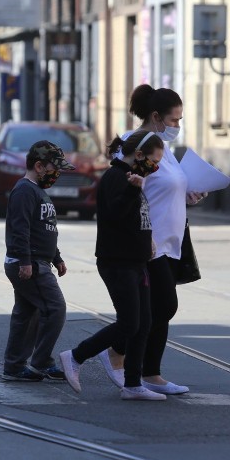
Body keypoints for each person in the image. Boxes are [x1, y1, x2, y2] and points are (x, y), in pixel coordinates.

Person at [98, 84, 206, 395]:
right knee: (162, 307)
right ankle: (117, 352)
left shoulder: (165, 149)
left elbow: (162, 187)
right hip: (149, 242)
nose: (177, 126)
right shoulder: (136, 147)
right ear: (156, 116)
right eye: (174, 120)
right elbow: (125, 187)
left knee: (161, 308)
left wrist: (189, 194)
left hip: (171, 242)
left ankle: (151, 372)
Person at [59, 129, 166, 401]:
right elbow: (116, 214)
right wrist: (133, 190)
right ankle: (76, 356)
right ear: (138, 155)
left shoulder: (133, 179)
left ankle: (132, 384)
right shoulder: (116, 178)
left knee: (144, 322)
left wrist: (148, 240)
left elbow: (137, 218)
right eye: (153, 161)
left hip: (136, 260)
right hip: (117, 261)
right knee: (129, 322)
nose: (155, 167)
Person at [1, 140, 73, 382]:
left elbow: (45, 229)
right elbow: (20, 229)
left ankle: (14, 366)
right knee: (55, 309)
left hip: (38, 260)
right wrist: (25, 261)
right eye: (55, 168)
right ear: (39, 166)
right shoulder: (24, 190)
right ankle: (40, 362)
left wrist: (57, 257)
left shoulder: (38, 191)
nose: (58, 173)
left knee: (26, 313)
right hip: (29, 263)